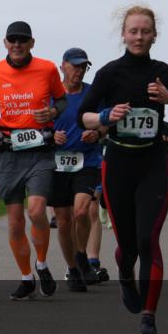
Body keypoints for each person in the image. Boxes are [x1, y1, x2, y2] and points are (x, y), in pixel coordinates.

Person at [79, 5, 168, 334]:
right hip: (117, 165)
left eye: (145, 31)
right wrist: (105, 114)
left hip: (153, 166)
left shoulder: (164, 73)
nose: (139, 37)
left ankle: (149, 319)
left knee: (149, 240)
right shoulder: (109, 74)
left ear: (154, 36)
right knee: (129, 246)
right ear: (123, 34)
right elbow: (81, 118)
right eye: (133, 31)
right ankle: (123, 268)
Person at [0, 21, 67, 301]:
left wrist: (52, 112)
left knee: (36, 209)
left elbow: (62, 101)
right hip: (8, 150)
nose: (17, 44)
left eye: (23, 40)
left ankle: (42, 264)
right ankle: (27, 277)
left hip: (40, 150)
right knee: (16, 222)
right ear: (4, 42)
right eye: (12, 40)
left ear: (32, 43)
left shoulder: (47, 68)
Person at [48, 48, 106, 292]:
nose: (79, 71)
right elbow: (36, 124)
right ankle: (73, 269)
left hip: (87, 161)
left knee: (81, 212)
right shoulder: (49, 94)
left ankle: (81, 255)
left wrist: (97, 133)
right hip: (57, 164)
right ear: (63, 66)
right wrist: (51, 136)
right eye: (75, 65)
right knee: (63, 221)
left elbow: (108, 122)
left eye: (83, 67)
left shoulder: (93, 93)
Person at [86, 184, 110, 282]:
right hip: (69, 170)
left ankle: (93, 262)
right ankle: (75, 264)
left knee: (92, 210)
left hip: (92, 169)